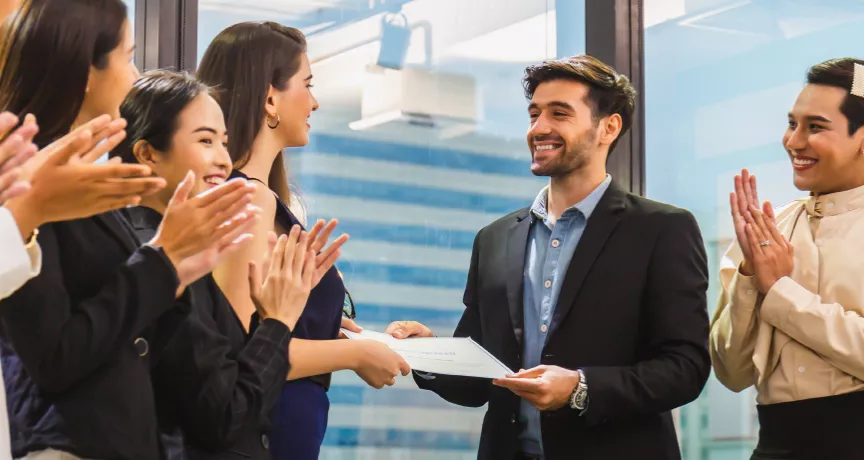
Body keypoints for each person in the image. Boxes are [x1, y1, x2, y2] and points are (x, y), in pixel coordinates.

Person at [385, 55, 711, 460]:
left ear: (608, 127)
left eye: (560, 114)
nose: (539, 128)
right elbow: (476, 383)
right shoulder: (494, 239)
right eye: (534, 114)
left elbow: (685, 368)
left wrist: (580, 388)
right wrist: (427, 353)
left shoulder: (662, 230)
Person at [0, 1, 259, 459]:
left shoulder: (83, 182)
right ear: (85, 71)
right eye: (128, 55)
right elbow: (55, 358)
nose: (137, 75)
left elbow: (136, 342)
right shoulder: (34, 178)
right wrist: (164, 260)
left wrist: (174, 268)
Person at [196, 21, 410, 459]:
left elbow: (265, 326)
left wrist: (339, 333)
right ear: (270, 98)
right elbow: (241, 355)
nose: (314, 101)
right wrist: (354, 354)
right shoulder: (249, 199)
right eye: (307, 84)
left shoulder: (266, 199)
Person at [112, 70, 344, 459]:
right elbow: (227, 415)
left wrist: (268, 315)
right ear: (147, 153)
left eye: (223, 141)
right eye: (205, 141)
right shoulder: (161, 260)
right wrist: (276, 322)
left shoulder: (173, 252)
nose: (222, 159)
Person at [711, 57, 864, 460]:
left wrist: (779, 291)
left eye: (815, 126)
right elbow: (731, 372)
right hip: (775, 447)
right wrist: (749, 277)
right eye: (792, 123)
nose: (793, 141)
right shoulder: (768, 228)